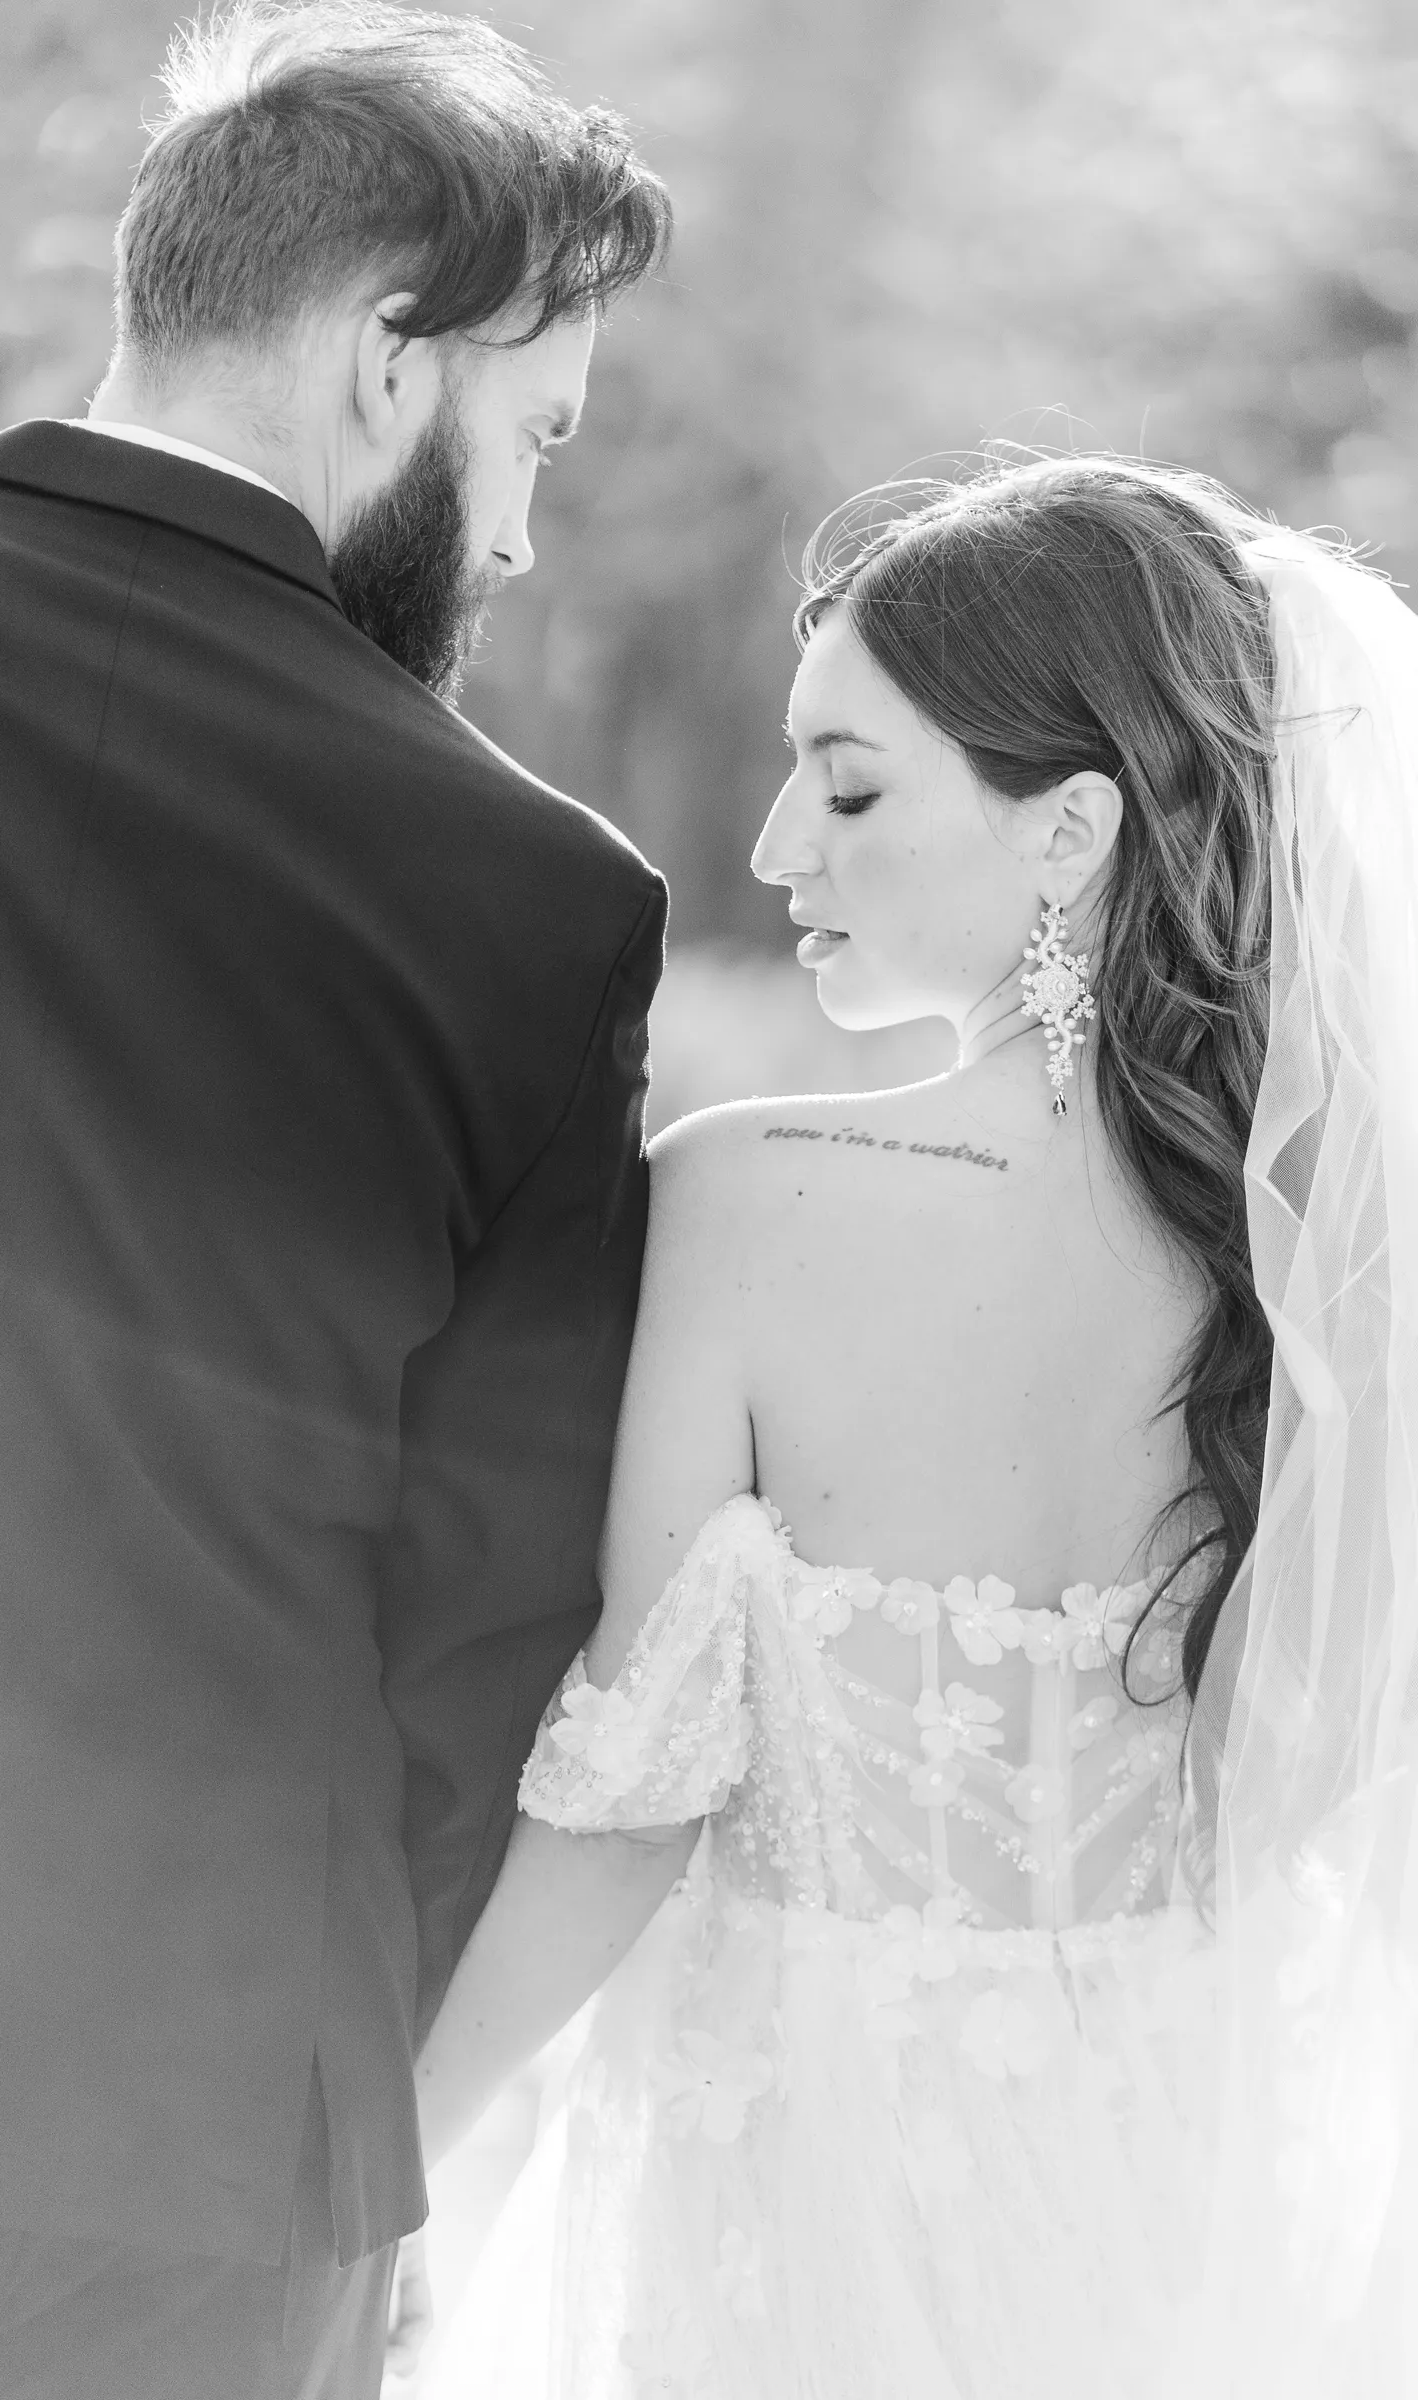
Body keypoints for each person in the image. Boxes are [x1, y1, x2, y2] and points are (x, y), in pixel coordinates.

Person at [0, 5, 670, 2394]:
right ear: (394, 353)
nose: (512, 536)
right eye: (536, 439)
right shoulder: (532, 900)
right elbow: (489, 1619)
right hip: (180, 2133)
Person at [408, 454, 1418, 2398]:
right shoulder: (1337, 1278)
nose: (780, 846)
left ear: (1068, 834)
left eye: (851, 784)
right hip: (1188, 2172)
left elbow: (632, 1801)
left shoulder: (746, 1197)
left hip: (802, 2179)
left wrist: (383, 2173)